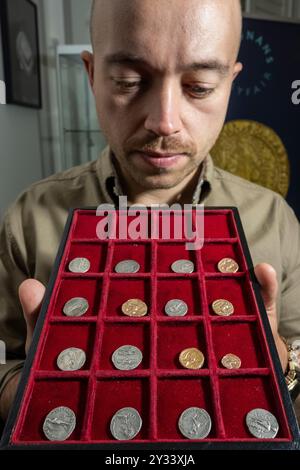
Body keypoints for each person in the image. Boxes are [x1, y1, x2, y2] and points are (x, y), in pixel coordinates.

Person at [0, 0, 299, 425]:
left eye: (199, 87)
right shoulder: (29, 218)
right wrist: (24, 393)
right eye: (128, 81)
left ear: (230, 83)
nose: (165, 122)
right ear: (90, 75)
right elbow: (4, 358)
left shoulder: (275, 220)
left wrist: (283, 367)